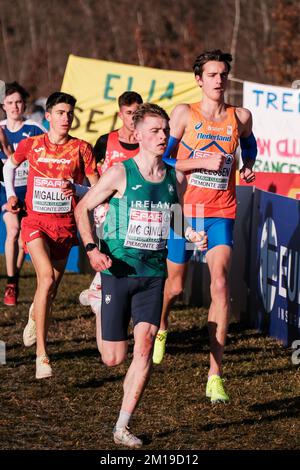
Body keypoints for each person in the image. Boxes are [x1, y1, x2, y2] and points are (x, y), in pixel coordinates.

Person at [74, 103, 207, 448]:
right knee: (112, 358)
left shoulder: (174, 177)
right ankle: (99, 304)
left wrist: (191, 235)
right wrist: (92, 249)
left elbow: (175, 216)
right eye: (155, 131)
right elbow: (83, 207)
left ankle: (122, 426)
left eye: (165, 130)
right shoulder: (121, 173)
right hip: (117, 271)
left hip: (152, 274)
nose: (163, 136)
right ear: (137, 135)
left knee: (145, 344)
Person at [152, 50, 256, 404]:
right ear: (199, 79)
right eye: (212, 74)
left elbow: (249, 142)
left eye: (223, 74)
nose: (219, 80)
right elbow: (164, 157)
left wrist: (248, 165)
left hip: (221, 212)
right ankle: (163, 325)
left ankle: (215, 375)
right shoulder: (184, 114)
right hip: (184, 212)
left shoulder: (239, 116)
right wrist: (198, 160)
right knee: (175, 287)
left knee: (221, 284)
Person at [3, 91, 99, 379]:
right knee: (45, 279)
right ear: (48, 116)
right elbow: (9, 167)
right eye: (60, 113)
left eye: (70, 113)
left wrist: (79, 190)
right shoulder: (31, 144)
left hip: (66, 226)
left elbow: (98, 187)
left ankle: (35, 312)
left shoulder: (82, 148)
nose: (66, 118)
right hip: (36, 223)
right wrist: (10, 195)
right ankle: (42, 355)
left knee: (52, 288)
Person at [79, 91, 143, 312]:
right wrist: (95, 195)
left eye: (137, 113)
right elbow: (92, 175)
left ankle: (99, 286)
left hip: (137, 208)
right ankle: (102, 287)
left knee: (132, 254)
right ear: (120, 114)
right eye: (129, 113)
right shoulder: (106, 142)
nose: (133, 118)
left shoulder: (147, 142)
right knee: (115, 248)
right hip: (107, 207)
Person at [0, 82, 46, 306]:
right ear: (3, 105)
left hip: (30, 191)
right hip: (6, 189)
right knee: (13, 230)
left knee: (23, 242)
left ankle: (14, 278)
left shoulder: (35, 128)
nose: (14, 106)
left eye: (18, 102)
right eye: (9, 102)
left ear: (24, 104)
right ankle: (10, 282)